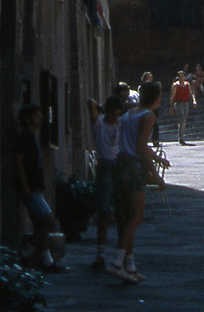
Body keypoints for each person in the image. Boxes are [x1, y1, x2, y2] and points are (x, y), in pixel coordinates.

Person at [112, 80, 166, 283]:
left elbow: (132, 141)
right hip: (135, 167)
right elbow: (141, 146)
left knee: (127, 218)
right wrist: (156, 175)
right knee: (137, 216)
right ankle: (117, 262)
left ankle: (130, 264)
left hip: (121, 164)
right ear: (157, 98)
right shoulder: (149, 116)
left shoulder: (129, 114)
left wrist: (158, 158)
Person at [13, 105, 67, 273]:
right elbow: (18, 160)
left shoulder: (31, 137)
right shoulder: (25, 137)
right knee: (48, 220)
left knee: (40, 224)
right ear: (27, 118)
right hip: (31, 188)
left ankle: (46, 261)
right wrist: (25, 185)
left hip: (35, 187)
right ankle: (27, 252)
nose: (41, 118)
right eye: (36, 115)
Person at [86, 95, 124, 272]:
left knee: (121, 211)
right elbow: (90, 102)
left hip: (117, 165)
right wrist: (103, 109)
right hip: (105, 166)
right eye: (113, 114)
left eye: (118, 114)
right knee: (104, 211)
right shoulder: (99, 123)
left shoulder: (120, 124)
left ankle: (122, 255)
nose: (115, 117)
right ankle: (100, 254)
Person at [170, 70, 195, 145]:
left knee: (184, 120)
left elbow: (191, 93)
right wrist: (171, 107)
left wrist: (194, 100)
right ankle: (181, 137)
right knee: (182, 119)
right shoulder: (175, 85)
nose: (181, 77)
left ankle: (181, 135)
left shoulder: (187, 84)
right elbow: (172, 96)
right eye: (180, 76)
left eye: (182, 76)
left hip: (186, 103)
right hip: (178, 103)